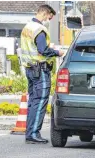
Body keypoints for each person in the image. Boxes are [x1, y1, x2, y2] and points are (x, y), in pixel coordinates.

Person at [20, 4, 64, 144]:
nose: (48, 21)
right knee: (40, 102)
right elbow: (42, 50)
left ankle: (29, 133)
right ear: (45, 14)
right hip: (40, 70)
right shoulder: (40, 30)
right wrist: (57, 52)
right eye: (49, 18)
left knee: (33, 102)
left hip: (30, 69)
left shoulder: (27, 27)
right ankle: (33, 134)